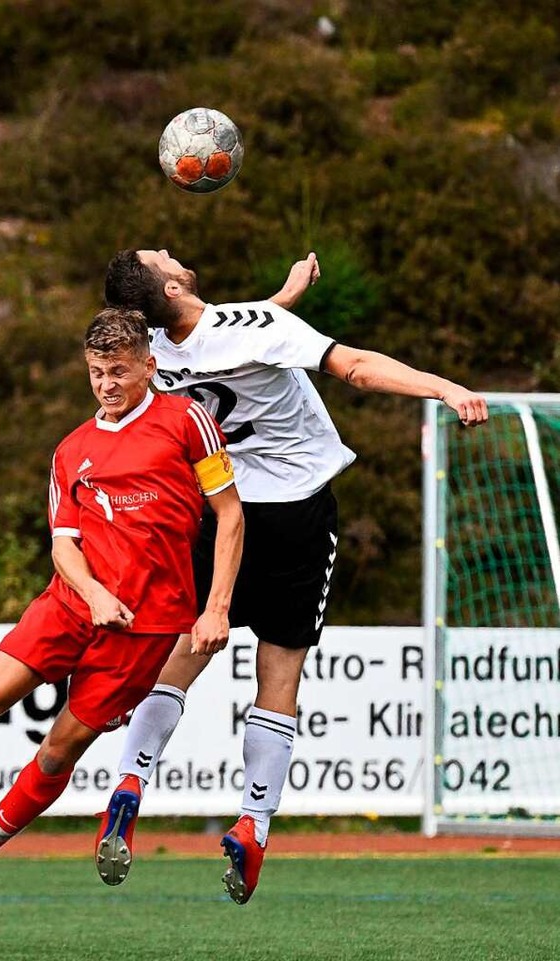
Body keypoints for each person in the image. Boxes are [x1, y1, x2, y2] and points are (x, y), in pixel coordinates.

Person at [96, 248, 489, 904]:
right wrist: (444, 387)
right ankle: (254, 822)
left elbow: (225, 336)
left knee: (181, 655)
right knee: (279, 673)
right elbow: (356, 368)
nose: (171, 250)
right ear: (170, 282)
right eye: (161, 254)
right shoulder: (252, 326)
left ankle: (131, 780)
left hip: (217, 516)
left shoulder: (156, 350)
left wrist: (281, 297)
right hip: (295, 514)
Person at [0, 307, 243, 890]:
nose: (106, 384)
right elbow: (63, 547)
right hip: (70, 605)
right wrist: (93, 593)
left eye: (118, 371)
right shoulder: (72, 449)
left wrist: (216, 605)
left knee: (57, 750)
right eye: (96, 372)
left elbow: (230, 513)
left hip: (146, 629)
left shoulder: (189, 421)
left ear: (149, 364)